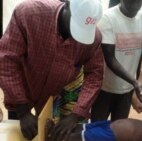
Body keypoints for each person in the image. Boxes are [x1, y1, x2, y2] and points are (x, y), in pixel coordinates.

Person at [0, 0, 104, 140]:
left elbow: (95, 75)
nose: (76, 37)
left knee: (45, 132)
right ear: (66, 4)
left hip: (52, 96)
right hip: (20, 89)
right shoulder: (29, 14)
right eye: (76, 26)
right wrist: (22, 112)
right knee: (18, 131)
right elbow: (6, 61)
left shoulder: (94, 38)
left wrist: (76, 114)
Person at [91, 0, 142, 122]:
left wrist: (137, 85)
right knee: (97, 130)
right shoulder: (107, 18)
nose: (135, 5)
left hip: (127, 90)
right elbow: (110, 59)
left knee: (118, 130)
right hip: (104, 88)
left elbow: (139, 54)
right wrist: (135, 82)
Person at [45, 116, 142, 141]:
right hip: (108, 124)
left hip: (110, 136)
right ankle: (57, 130)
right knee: (80, 128)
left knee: (81, 137)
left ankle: (53, 137)